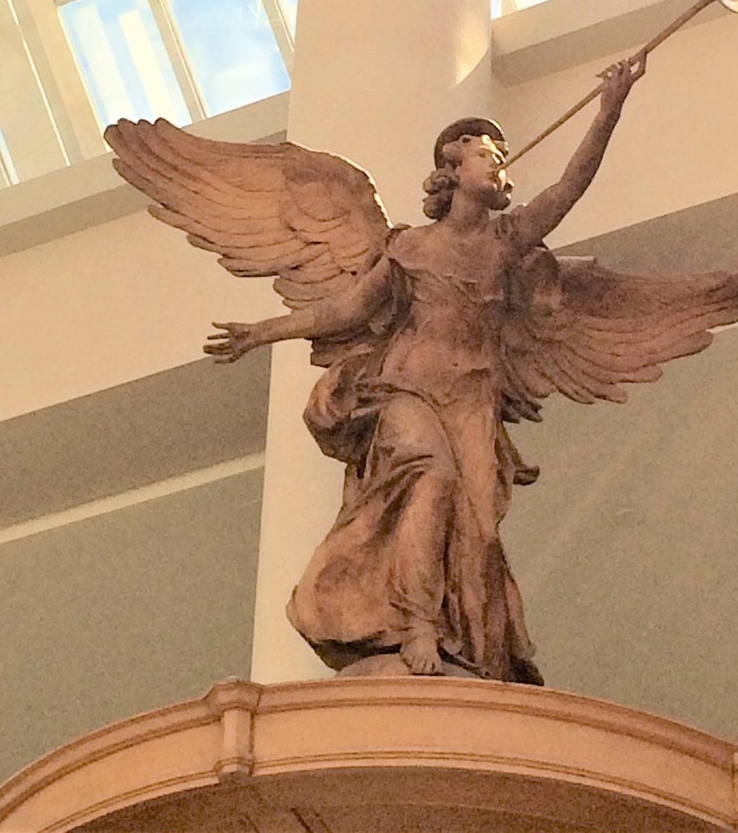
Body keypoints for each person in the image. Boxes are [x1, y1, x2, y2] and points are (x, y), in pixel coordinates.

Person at [203, 58, 647, 683]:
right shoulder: (408, 247)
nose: (499, 165)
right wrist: (262, 333)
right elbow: (347, 309)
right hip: (404, 388)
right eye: (487, 155)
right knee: (429, 476)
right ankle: (416, 623)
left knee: (477, 534)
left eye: (501, 158)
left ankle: (473, 648)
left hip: (472, 400)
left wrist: (610, 108)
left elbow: (570, 187)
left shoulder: (507, 240)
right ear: (452, 170)